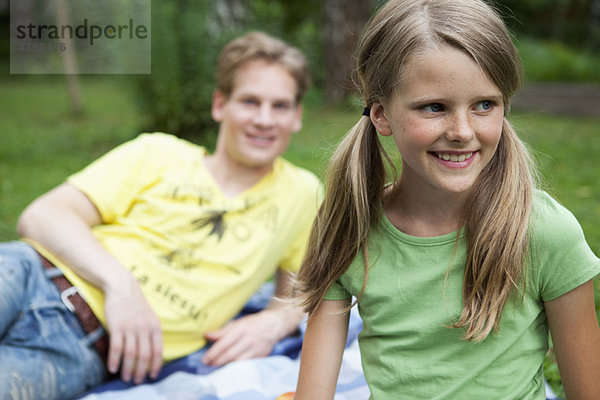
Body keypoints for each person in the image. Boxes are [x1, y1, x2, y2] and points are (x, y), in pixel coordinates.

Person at [293, 1, 600, 399]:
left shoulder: (544, 232)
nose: (462, 131)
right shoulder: (350, 226)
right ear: (381, 114)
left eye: (484, 105)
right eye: (434, 107)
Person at [1, 31, 321, 399]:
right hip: (29, 274)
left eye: (280, 106)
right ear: (220, 105)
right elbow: (42, 215)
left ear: (297, 116)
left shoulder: (302, 194)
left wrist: (275, 321)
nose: (265, 119)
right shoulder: (157, 152)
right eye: (250, 101)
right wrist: (120, 286)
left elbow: (303, 290)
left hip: (82, 348)